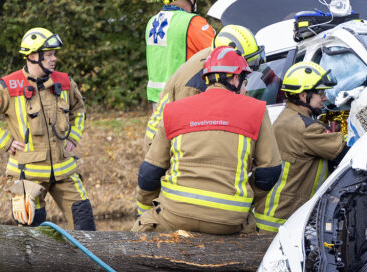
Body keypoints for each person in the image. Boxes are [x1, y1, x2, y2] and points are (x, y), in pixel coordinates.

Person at [134, 47, 283, 234]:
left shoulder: (174, 109)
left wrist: (145, 210)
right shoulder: (257, 110)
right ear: (234, 79)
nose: (246, 89)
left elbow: (149, 172)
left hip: (175, 214)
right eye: (245, 82)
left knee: (137, 234)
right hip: (229, 219)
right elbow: (270, 171)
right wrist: (246, 200)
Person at [0, 28, 95, 230]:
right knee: (32, 238)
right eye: (49, 55)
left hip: (64, 170)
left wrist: (73, 137)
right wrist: (5, 142)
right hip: (27, 176)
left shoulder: (65, 82)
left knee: (86, 227)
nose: (54, 59)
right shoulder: (9, 85)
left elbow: (79, 109)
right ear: (32, 56)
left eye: (54, 54)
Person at [255, 62, 349, 233]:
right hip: (282, 220)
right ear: (303, 95)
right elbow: (345, 154)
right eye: (320, 93)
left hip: (271, 214)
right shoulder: (306, 128)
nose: (325, 98)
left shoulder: (288, 117)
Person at [142, 25, 262, 152]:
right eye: (247, 63)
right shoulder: (193, 85)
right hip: (158, 144)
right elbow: (189, 134)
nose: (248, 69)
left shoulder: (217, 63)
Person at [145, 0, 216, 102]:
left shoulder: (152, 23)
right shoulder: (193, 23)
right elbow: (219, 56)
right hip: (184, 99)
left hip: (158, 100)